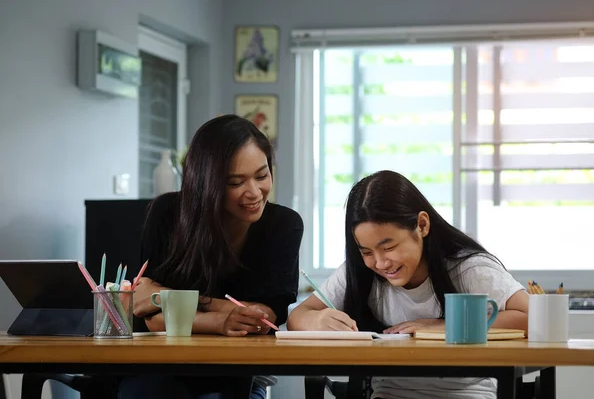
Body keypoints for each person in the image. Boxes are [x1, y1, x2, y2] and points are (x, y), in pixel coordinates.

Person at [288, 170, 528, 399]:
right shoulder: (360, 273)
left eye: (389, 247)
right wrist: (318, 320)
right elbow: (297, 317)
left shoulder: (467, 268)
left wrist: (441, 326)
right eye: (367, 252)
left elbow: (530, 316)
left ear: (422, 225)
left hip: (468, 394)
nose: (381, 263)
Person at [119, 115, 303, 399]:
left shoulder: (284, 224)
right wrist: (221, 319)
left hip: (238, 375)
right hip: (162, 369)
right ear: (206, 183)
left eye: (262, 175)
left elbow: (261, 320)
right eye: (235, 182)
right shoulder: (168, 213)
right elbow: (150, 315)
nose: (254, 192)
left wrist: (170, 297)